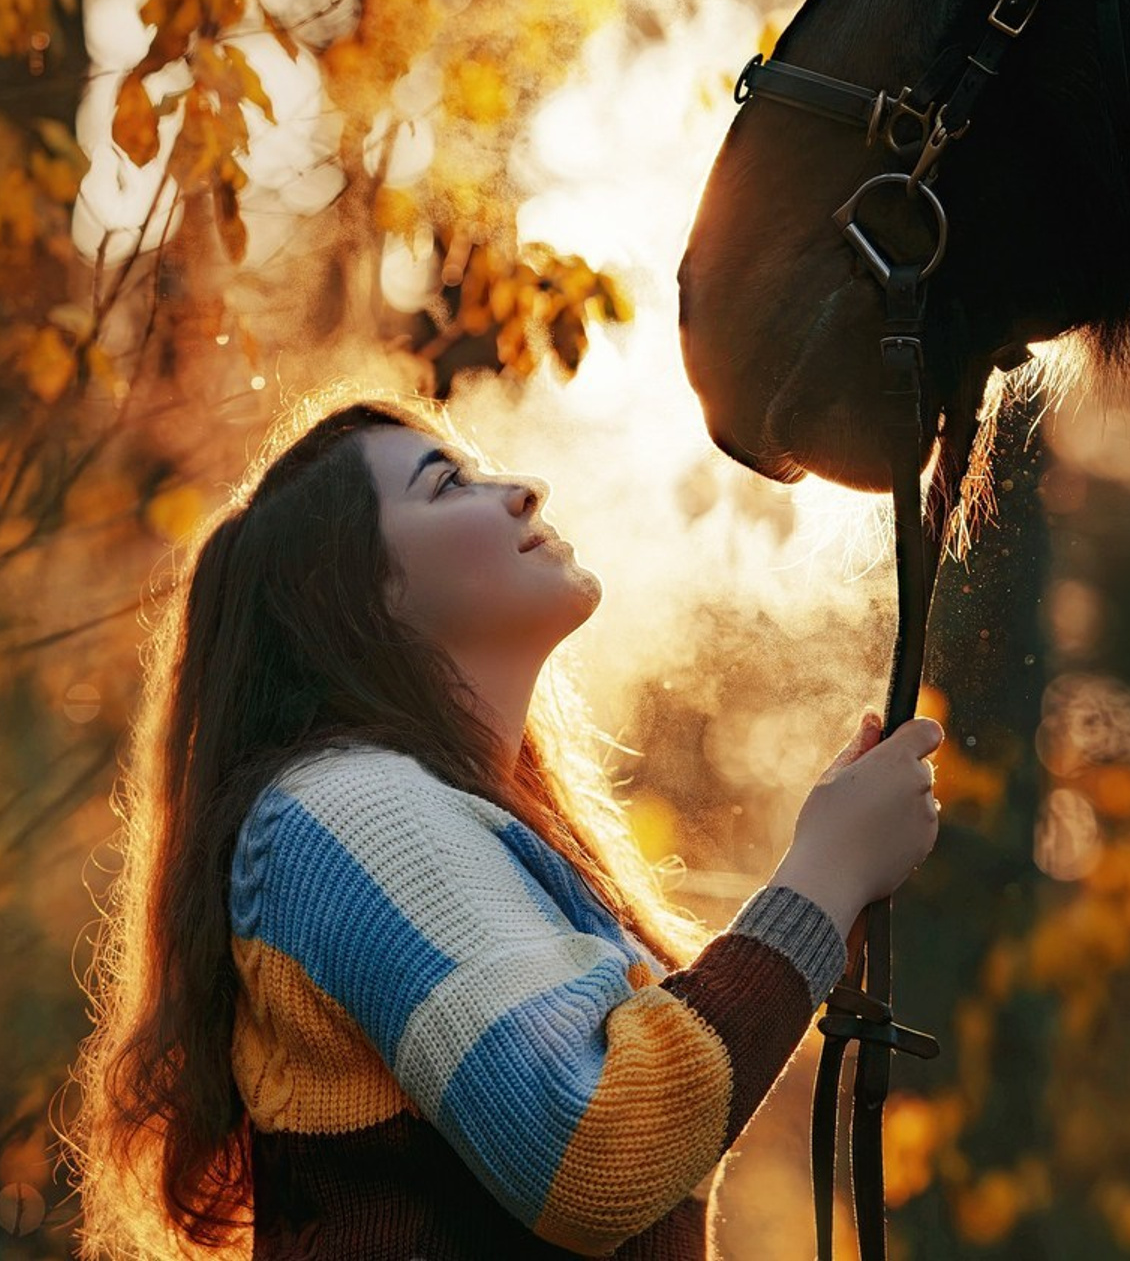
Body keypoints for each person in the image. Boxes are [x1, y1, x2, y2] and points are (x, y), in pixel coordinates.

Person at [67, 395, 942, 1260]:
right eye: (448, 485)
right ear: (357, 594)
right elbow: (591, 1149)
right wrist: (821, 881)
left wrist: (831, 894)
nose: (524, 490)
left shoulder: (453, 829)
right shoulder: (349, 809)